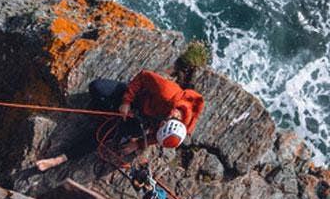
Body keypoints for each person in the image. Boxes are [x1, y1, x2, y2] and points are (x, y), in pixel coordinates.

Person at [31, 69, 205, 172]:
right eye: (159, 127)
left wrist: (138, 144)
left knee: (104, 135)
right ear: (167, 120)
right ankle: (112, 113)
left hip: (142, 119)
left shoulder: (181, 130)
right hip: (136, 100)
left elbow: (156, 138)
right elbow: (143, 76)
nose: (156, 130)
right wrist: (126, 102)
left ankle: (58, 160)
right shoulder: (167, 92)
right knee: (97, 88)